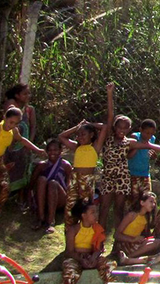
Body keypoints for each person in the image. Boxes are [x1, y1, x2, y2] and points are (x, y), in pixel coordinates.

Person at [0, 106, 46, 232]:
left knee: (6, 187)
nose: (12, 125)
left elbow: (22, 140)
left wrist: (37, 150)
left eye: (16, 123)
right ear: (4, 117)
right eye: (11, 122)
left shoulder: (14, 132)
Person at [58, 83, 113, 227]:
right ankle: (70, 233)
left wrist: (90, 124)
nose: (80, 136)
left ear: (91, 135)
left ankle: (85, 235)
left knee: (85, 207)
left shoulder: (94, 147)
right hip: (74, 178)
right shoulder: (77, 147)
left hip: (87, 179)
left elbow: (106, 126)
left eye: (83, 134)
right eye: (79, 135)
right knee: (70, 207)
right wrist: (76, 127)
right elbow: (62, 137)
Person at [127, 119, 160, 203]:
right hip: (132, 173)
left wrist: (153, 155)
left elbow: (152, 153)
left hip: (145, 173)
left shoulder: (152, 139)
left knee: (146, 197)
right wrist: (138, 146)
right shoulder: (135, 137)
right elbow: (129, 156)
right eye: (147, 133)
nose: (149, 136)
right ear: (140, 130)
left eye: (151, 133)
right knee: (132, 198)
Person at [62, 200, 113, 284]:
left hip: (91, 257)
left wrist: (93, 257)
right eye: (92, 213)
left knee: (108, 265)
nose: (96, 215)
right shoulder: (73, 230)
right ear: (83, 215)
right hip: (76, 258)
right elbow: (69, 252)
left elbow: (99, 249)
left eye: (96, 212)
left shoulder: (98, 229)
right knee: (69, 272)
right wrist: (81, 259)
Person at [100, 113, 135, 231]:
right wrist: (110, 94)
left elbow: (148, 145)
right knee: (104, 207)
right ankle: (99, 241)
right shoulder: (108, 138)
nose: (122, 130)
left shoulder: (129, 142)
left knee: (119, 208)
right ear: (114, 127)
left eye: (125, 128)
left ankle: (117, 244)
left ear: (129, 129)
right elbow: (109, 115)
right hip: (107, 176)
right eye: (119, 127)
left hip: (122, 178)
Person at [2, 83, 37, 199]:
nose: (28, 96)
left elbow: (33, 126)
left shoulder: (30, 110)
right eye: (25, 94)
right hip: (9, 142)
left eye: (29, 93)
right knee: (7, 167)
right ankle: (2, 193)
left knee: (23, 167)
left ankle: (20, 196)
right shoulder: (11, 105)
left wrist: (30, 141)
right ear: (17, 95)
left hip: (23, 144)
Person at [30, 139, 71, 233]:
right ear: (46, 151)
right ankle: (41, 218)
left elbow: (69, 186)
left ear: (60, 151)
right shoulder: (42, 165)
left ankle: (50, 221)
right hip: (43, 199)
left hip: (60, 198)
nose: (53, 153)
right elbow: (31, 185)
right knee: (41, 179)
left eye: (55, 150)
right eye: (50, 150)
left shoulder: (65, 165)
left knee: (53, 183)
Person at [114, 191, 160, 265]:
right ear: (142, 203)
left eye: (154, 203)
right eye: (151, 201)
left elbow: (149, 235)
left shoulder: (145, 218)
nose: (153, 204)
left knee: (158, 242)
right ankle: (129, 257)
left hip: (135, 244)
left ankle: (129, 258)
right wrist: (133, 239)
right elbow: (116, 235)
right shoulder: (132, 215)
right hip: (125, 243)